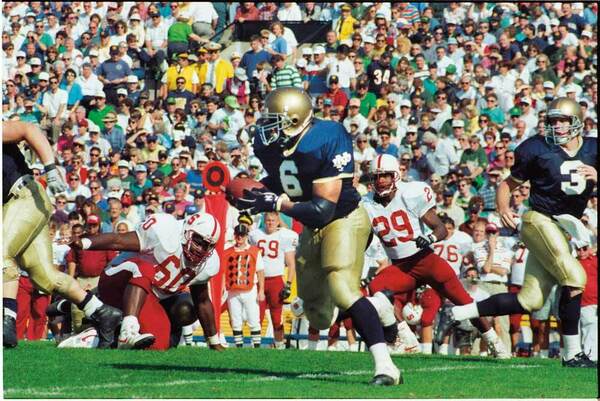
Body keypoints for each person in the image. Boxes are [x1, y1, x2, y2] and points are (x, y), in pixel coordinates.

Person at [234, 87, 401, 385]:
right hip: (310, 226)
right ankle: (378, 306)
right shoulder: (276, 146)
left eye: (275, 120)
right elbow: (284, 178)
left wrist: (276, 203)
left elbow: (324, 209)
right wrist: (252, 197)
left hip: (344, 218)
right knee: (319, 316)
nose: (266, 127)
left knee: (341, 288)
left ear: (295, 119)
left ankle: (386, 366)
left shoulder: (327, 136)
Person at [451, 98, 597, 368]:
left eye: (563, 120)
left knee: (529, 299)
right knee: (575, 277)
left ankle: (464, 311)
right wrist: (504, 207)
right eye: (553, 121)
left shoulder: (593, 148)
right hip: (537, 220)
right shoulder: (537, 148)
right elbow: (508, 184)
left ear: (577, 121)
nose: (558, 126)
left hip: (563, 230)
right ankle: (573, 354)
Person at [363, 154, 510, 358]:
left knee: (465, 303)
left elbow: (440, 228)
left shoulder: (409, 193)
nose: (380, 181)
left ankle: (494, 341)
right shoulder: (366, 204)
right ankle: (405, 340)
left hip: (425, 260)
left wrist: (429, 238)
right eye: (376, 177)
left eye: (385, 176)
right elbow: (365, 239)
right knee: (376, 290)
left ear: (395, 175)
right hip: (400, 266)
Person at [3, 121, 122, 349]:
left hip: (25, 196)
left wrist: (50, 167)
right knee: (45, 277)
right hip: (16, 206)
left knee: (1, 251)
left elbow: (29, 129)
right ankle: (101, 311)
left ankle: (6, 319)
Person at [68, 212, 225, 351]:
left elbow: (202, 301)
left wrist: (214, 341)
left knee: (159, 344)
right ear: (186, 231)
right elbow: (119, 241)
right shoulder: (165, 230)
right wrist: (85, 243)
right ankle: (127, 330)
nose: (201, 249)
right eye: (198, 240)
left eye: (207, 245)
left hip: (148, 296)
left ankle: (97, 335)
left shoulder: (208, 264)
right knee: (145, 266)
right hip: (118, 280)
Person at [249, 212, 298, 349]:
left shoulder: (285, 235)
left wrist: (288, 284)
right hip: (258, 280)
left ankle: (279, 346)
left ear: (278, 222)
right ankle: (255, 347)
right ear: (264, 221)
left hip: (276, 280)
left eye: (273, 220)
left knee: (276, 318)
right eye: (268, 220)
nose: (270, 223)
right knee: (256, 316)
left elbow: (291, 263)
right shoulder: (255, 234)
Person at [223, 223, 265, 348]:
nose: (239, 237)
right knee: (235, 320)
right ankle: (239, 346)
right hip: (232, 291)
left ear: (246, 236)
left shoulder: (254, 251)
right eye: (237, 235)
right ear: (234, 236)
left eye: (242, 235)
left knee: (253, 318)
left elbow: (260, 271)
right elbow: (223, 272)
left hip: (250, 290)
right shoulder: (227, 252)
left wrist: (261, 290)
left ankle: (256, 346)